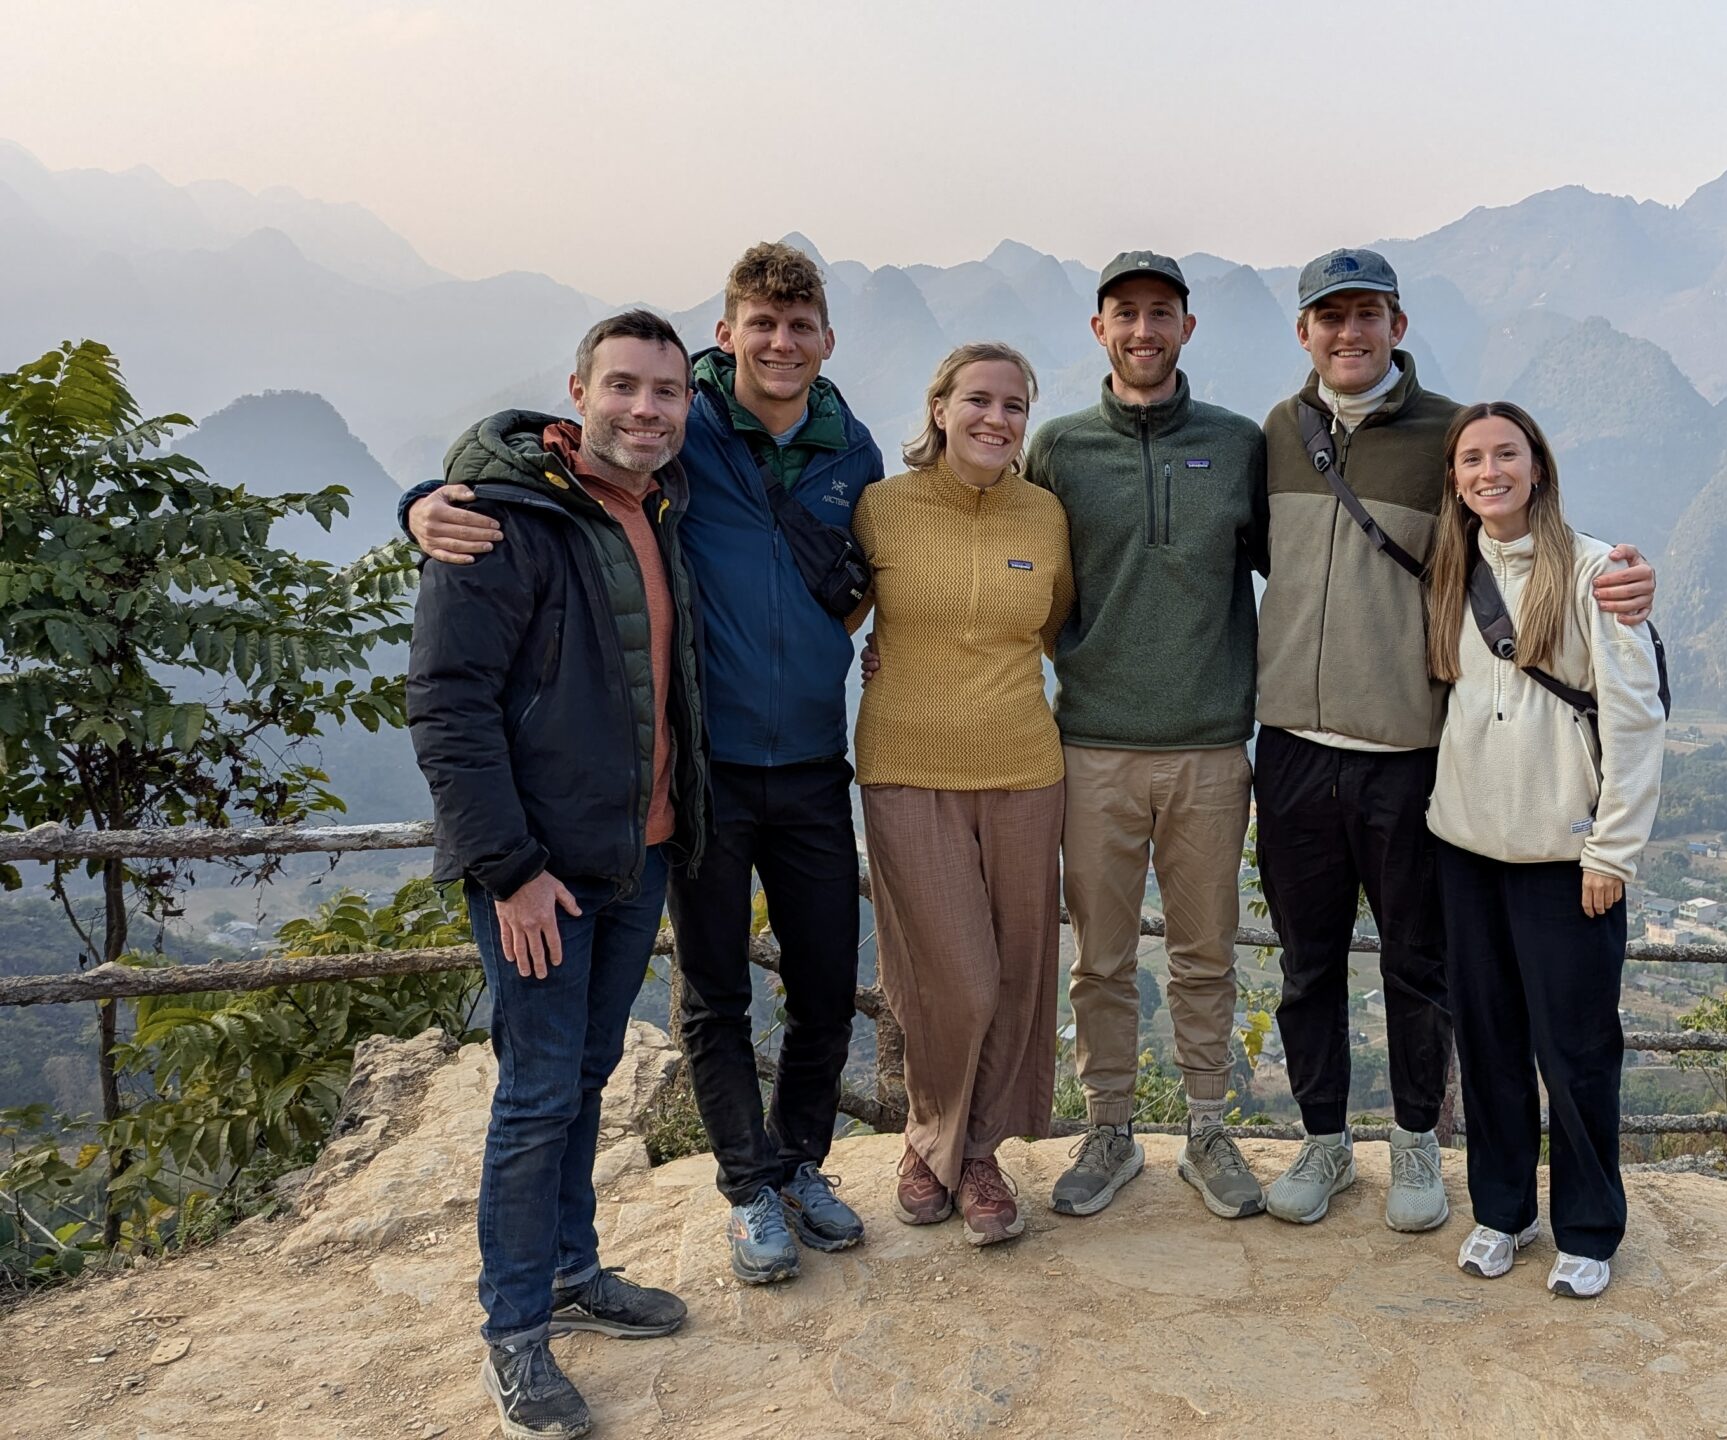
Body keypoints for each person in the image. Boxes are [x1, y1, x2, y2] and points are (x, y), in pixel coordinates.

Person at [405, 242, 882, 1286]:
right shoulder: (682, 427)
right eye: (762, 323)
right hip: (702, 773)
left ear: (827, 340)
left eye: (800, 326)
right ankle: (746, 1185)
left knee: (824, 986)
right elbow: (529, 453)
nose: (781, 343)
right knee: (713, 990)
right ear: (727, 333)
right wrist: (425, 498)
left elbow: (868, 571)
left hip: (809, 759)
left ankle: (800, 1163)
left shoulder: (854, 452)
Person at [1253, 248, 1656, 1231]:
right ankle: (1322, 1140)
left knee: (1416, 966)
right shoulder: (1277, 434)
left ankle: (1414, 1145)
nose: (1348, 333)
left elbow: (1521, 545)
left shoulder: (1447, 436)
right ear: (1303, 332)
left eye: (1367, 314)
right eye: (1329, 317)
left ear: (1397, 325)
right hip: (1291, 746)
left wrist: (1622, 585)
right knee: (1306, 965)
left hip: (1405, 752)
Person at [408, 309, 706, 1440]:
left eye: (665, 391)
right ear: (576, 394)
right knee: (537, 1091)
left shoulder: (659, 507)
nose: (644, 409)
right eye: (622, 385)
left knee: (584, 1072)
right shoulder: (500, 520)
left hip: (639, 851)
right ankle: (516, 1329)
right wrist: (510, 871)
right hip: (541, 872)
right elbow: (448, 705)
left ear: (687, 404)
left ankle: (574, 1272)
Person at [1023, 252, 1270, 1220]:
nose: (1142, 330)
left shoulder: (1238, 445)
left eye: (1160, 313)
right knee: (1101, 959)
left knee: (1207, 952)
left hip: (1211, 747)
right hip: (1094, 747)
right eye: (1124, 313)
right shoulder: (1059, 450)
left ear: (1186, 328)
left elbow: (1293, 570)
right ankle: (1110, 1129)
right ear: (1099, 330)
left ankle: (1207, 1128)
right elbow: (1027, 580)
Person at [1423, 401, 1665, 1301]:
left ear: (1537, 467)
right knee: (1486, 1041)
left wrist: (1612, 852)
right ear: (1455, 479)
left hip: (1565, 860)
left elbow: (1637, 719)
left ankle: (1590, 1227)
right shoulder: (1451, 572)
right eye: (1472, 459)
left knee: (1576, 1051)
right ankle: (1502, 1211)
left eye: (1506, 455)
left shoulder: (1596, 572)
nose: (1489, 472)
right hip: (1466, 848)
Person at [853, 342, 1073, 1247]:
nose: (996, 418)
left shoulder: (1044, 515)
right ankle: (930, 1134)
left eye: (1014, 405)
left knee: (1017, 973)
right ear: (939, 408)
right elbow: (834, 613)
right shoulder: (882, 508)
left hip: (1025, 767)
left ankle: (978, 1152)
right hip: (907, 767)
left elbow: (1057, 628)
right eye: (977, 400)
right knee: (954, 978)